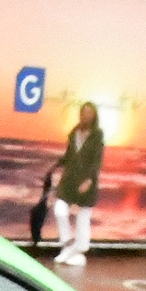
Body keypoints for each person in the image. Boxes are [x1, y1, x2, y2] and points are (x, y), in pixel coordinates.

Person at [50, 102, 105, 269]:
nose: (85, 115)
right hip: (69, 181)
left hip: (86, 182)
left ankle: (80, 252)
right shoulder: (74, 132)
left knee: (82, 218)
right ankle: (68, 243)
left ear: (94, 116)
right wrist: (56, 165)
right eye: (83, 112)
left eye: (89, 113)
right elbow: (69, 155)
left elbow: (96, 160)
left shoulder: (97, 135)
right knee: (60, 209)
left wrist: (89, 180)